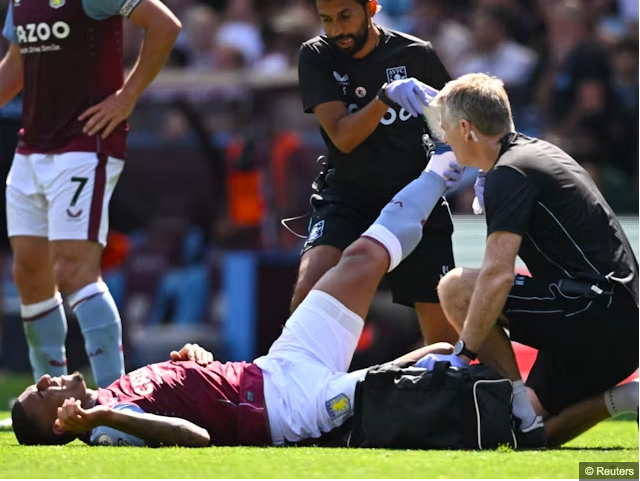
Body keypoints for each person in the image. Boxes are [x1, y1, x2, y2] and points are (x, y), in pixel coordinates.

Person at [11, 148, 460, 447]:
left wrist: (189, 364)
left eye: (40, 381)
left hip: (274, 366)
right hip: (289, 412)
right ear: (58, 423)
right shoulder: (109, 431)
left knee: (361, 258)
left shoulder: (112, 393)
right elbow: (196, 437)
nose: (47, 380)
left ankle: (442, 166)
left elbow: (189, 396)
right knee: (431, 359)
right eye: (41, 392)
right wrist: (102, 419)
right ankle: (509, 400)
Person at [423, 73, 639, 447]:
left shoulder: (510, 170)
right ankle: (627, 399)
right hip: (617, 323)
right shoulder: (534, 153)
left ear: (466, 129)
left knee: (456, 287)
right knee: (523, 437)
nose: (444, 139)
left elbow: (497, 276)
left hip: (596, 312)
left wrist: (463, 354)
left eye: (446, 130)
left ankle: (517, 404)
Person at [0, 0, 181, 389]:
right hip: (31, 147)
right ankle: (48, 396)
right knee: (29, 273)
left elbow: (165, 25)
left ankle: (119, 398)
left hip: (86, 143)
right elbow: (16, 65)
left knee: (72, 270)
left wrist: (128, 95)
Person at [293, 0, 462, 345]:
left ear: (370, 7)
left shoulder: (417, 54)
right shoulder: (316, 55)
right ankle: (300, 394)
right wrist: (386, 97)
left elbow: (456, 123)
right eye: (327, 20)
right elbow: (343, 138)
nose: (337, 29)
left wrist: (457, 160)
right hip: (348, 197)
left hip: (415, 199)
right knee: (306, 296)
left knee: (442, 335)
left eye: (345, 16)